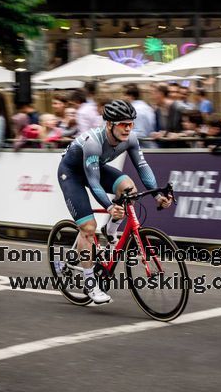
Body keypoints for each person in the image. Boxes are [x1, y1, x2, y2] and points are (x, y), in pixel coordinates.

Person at [57, 100, 173, 304]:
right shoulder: (93, 142)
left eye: (131, 124)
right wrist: (109, 206)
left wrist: (157, 195)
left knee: (129, 188)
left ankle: (110, 231)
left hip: (95, 169)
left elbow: (142, 167)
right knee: (88, 227)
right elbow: (93, 182)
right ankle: (90, 284)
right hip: (73, 174)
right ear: (109, 124)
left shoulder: (131, 139)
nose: (128, 128)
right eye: (123, 124)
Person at [123, 83, 157, 148]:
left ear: (130, 96)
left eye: (124, 95)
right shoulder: (144, 106)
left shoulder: (137, 110)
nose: (122, 98)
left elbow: (141, 134)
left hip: (145, 149)